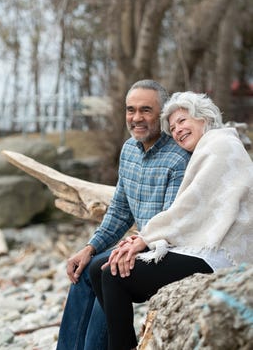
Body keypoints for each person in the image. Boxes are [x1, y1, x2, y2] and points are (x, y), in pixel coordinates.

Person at [89, 91, 253, 350]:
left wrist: (145, 239)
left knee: (112, 274)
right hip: (206, 247)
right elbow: (194, 212)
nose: (177, 130)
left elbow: (190, 208)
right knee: (101, 269)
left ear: (203, 118)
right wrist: (144, 239)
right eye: (173, 127)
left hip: (221, 254)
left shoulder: (220, 146)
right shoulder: (210, 147)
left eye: (182, 121)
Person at [56, 80, 192, 350]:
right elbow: (119, 210)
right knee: (84, 268)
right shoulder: (129, 150)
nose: (136, 118)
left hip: (162, 249)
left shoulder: (178, 158)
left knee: (104, 271)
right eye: (131, 110)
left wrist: (128, 248)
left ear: (162, 114)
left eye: (146, 110)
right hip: (136, 245)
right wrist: (89, 247)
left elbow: (170, 225)